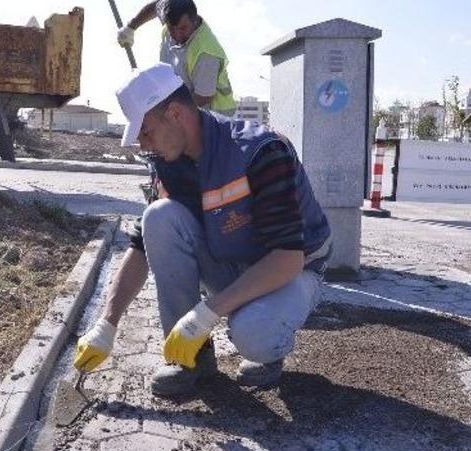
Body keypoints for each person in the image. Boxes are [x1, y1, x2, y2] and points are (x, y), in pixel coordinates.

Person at [74, 63, 332, 397]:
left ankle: (270, 349)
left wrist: (205, 314)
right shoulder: (169, 165)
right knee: (159, 217)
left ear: (176, 114)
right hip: (233, 259)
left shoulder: (260, 152)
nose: (143, 145)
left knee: (255, 334)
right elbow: (141, 246)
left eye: (147, 132)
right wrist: (107, 324)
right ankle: (191, 358)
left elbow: (287, 259)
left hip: (293, 268)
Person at [117, 0, 237, 116]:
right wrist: (130, 27)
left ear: (194, 20)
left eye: (183, 28)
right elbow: (156, 6)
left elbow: (202, 97)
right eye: (171, 28)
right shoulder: (171, 20)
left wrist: (164, 112)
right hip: (183, 102)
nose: (176, 35)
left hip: (213, 117)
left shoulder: (205, 54)